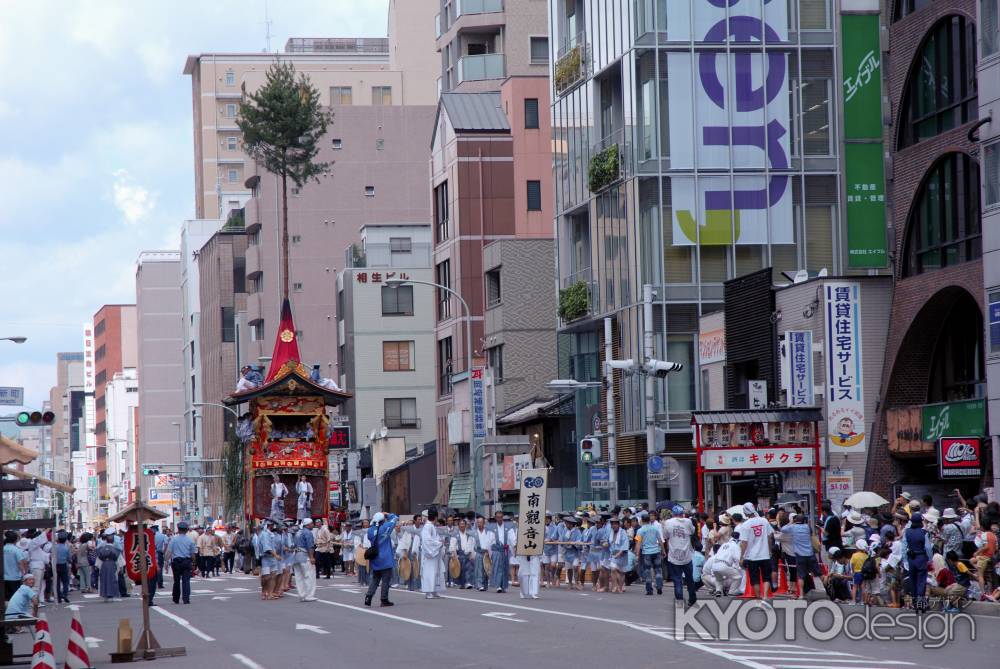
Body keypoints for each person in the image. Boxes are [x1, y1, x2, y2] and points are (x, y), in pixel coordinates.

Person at [736, 503, 773, 598]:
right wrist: (769, 550)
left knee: (755, 579)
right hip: (765, 554)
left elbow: (744, 543)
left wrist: (741, 557)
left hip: (752, 557)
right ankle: (765, 596)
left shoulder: (745, 525)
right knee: (766, 577)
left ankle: (758, 598)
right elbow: (770, 537)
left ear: (745, 512)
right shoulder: (764, 521)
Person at [780, 514, 820, 598]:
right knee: (819, 574)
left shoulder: (792, 527)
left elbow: (782, 529)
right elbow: (811, 533)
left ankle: (801, 595)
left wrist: (790, 522)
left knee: (801, 576)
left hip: (800, 555)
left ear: (795, 520)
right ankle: (828, 591)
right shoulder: (807, 527)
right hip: (810, 553)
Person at [664, 509, 697, 606]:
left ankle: (679, 600)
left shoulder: (668, 522)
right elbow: (692, 531)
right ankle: (692, 598)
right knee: (689, 579)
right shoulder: (688, 521)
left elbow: (665, 536)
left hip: (674, 555)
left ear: (673, 514)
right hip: (687, 555)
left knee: (677, 579)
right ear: (682, 514)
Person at [365, 512, 399, 607]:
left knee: (375, 579)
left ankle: (368, 596)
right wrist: (387, 514)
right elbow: (395, 518)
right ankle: (384, 599)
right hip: (386, 558)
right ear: (382, 520)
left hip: (375, 558)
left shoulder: (370, 531)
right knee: (385, 580)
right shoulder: (385, 527)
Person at [902, 512, 932, 610]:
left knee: (913, 580)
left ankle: (915, 602)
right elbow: (927, 547)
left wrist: (905, 560)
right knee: (921, 581)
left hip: (911, 558)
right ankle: (920, 602)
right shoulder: (924, 533)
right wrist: (930, 559)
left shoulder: (906, 532)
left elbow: (904, 547)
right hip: (921, 557)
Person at [165, 522, 196, 605]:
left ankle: (176, 598)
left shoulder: (173, 539)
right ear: (186, 530)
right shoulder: (190, 540)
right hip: (186, 562)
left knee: (176, 581)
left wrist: (166, 562)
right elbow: (192, 553)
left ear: (178, 530)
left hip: (176, 562)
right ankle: (186, 599)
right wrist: (194, 562)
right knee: (186, 581)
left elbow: (169, 551)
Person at [635, 513, 664, 596]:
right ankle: (659, 586)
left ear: (642, 520)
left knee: (647, 571)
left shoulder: (640, 530)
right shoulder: (655, 529)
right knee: (658, 570)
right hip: (656, 552)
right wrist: (663, 551)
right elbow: (660, 541)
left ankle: (649, 590)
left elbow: (638, 543)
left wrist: (637, 554)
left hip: (646, 553)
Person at [420, 508, 445, 599]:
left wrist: (439, 541)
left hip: (435, 554)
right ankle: (428, 591)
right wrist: (439, 543)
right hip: (430, 554)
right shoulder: (428, 526)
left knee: (436, 572)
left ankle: (434, 590)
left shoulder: (431, 526)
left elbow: (434, 539)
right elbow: (427, 541)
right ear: (435, 517)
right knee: (429, 572)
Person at [292, 518, 318, 602]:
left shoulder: (298, 532)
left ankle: (301, 594)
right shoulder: (308, 533)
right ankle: (309, 595)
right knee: (309, 575)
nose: (313, 525)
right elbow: (310, 546)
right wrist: (311, 557)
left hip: (296, 556)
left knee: (299, 577)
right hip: (304, 555)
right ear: (308, 524)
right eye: (311, 523)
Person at [95, 531, 121, 602]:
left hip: (104, 564)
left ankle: (105, 596)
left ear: (106, 540)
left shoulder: (102, 548)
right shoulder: (115, 549)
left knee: (104, 579)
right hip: (112, 564)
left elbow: (99, 556)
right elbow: (117, 557)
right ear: (113, 541)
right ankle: (111, 595)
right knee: (112, 579)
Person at [489, 511, 511, 593]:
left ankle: (503, 585)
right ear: (495, 518)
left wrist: (512, 546)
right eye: (498, 517)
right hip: (496, 550)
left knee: (505, 567)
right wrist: (490, 552)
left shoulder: (507, 527)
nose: (499, 519)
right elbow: (490, 541)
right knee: (497, 567)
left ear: (503, 518)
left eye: (501, 517)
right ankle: (498, 585)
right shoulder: (492, 528)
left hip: (504, 550)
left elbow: (511, 538)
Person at [451, 517, 474, 589]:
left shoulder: (469, 534)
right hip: (459, 555)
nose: (462, 525)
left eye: (463, 524)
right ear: (458, 526)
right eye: (460, 524)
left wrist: (471, 553)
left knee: (468, 569)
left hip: (467, 554)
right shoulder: (455, 535)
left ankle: (468, 582)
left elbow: (472, 544)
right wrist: (454, 554)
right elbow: (453, 545)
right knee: (461, 570)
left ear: (466, 525)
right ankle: (462, 583)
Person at [54, 533, 71, 603]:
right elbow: (69, 558)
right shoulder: (66, 548)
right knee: (65, 581)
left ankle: (59, 597)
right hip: (63, 565)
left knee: (57, 582)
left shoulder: (54, 547)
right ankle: (65, 594)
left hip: (56, 565)